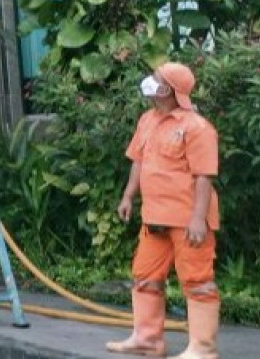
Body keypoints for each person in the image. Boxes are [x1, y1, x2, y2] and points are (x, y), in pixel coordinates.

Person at [107, 62, 220, 359]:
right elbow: (138, 161)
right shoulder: (148, 120)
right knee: (145, 277)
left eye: (156, 79)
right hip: (154, 217)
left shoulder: (197, 127)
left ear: (168, 89)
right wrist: (128, 196)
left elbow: (204, 176)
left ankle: (202, 349)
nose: (150, 81)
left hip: (187, 219)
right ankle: (147, 340)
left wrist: (198, 219)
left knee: (197, 281)